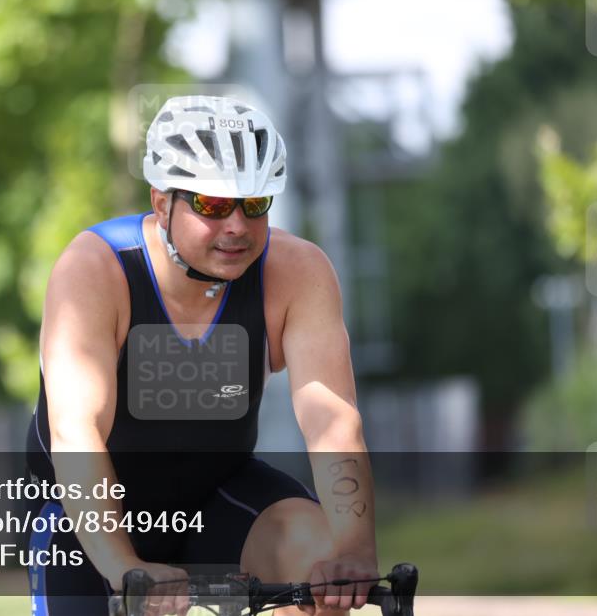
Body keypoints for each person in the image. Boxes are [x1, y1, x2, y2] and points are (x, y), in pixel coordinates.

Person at [25, 95, 378, 616]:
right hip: (87, 513)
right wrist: (125, 568)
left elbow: (332, 421)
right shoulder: (95, 269)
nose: (237, 225)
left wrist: (351, 549)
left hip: (219, 494)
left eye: (255, 204)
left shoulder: (297, 272)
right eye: (213, 206)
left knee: (315, 560)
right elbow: (77, 435)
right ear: (163, 202)